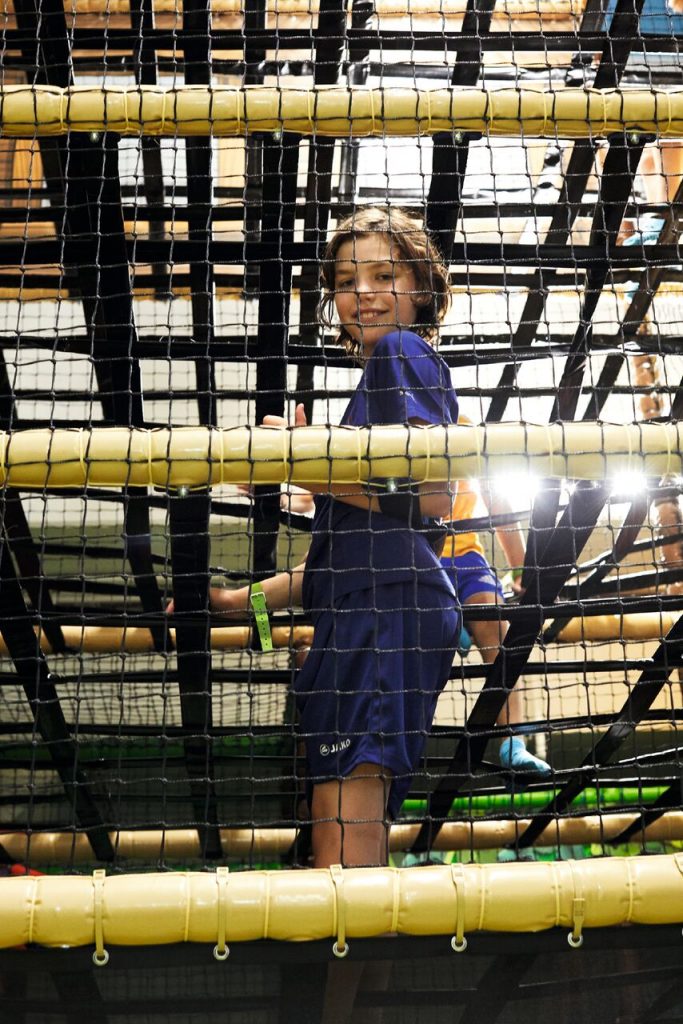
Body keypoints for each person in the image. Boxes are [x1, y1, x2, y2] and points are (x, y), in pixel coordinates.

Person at [170, 207, 460, 870]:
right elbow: (334, 561)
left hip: (389, 608)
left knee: (348, 836)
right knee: (337, 831)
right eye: (346, 280)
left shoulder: (403, 351)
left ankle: (358, 928)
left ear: (420, 287)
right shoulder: (370, 393)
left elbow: (433, 494)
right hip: (358, 607)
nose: (363, 292)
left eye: (383, 275)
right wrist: (234, 603)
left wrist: (295, 462)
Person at [441, 426, 551, 780]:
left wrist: (523, 570)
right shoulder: (389, 423)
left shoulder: (463, 426)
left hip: (466, 557)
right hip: (419, 556)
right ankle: (450, 624)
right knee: (420, 630)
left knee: (499, 632)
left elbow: (497, 501)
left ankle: (512, 742)